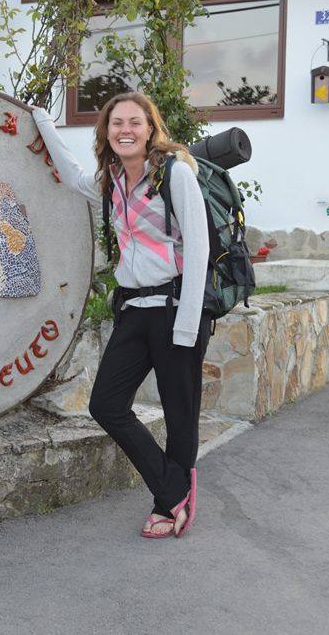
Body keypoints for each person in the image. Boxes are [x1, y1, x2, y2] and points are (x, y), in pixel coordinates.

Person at [32, 92, 210, 538]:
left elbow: (200, 248)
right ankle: (174, 489)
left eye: (134, 122)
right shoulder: (112, 180)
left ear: (151, 128)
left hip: (173, 309)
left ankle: (168, 505)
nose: (125, 130)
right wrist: (40, 120)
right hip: (133, 308)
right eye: (116, 124)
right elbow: (72, 178)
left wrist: (188, 324)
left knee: (179, 412)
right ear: (106, 133)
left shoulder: (176, 174)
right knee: (106, 405)